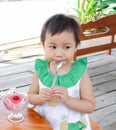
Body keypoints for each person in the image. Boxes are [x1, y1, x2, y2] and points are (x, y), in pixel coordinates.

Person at [28, 14, 95, 130]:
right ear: (43, 45)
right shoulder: (41, 70)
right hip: (45, 125)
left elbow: (90, 106)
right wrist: (40, 97)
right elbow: (30, 97)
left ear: (76, 47)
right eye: (53, 47)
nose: (59, 54)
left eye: (67, 47)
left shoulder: (80, 73)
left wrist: (68, 99)